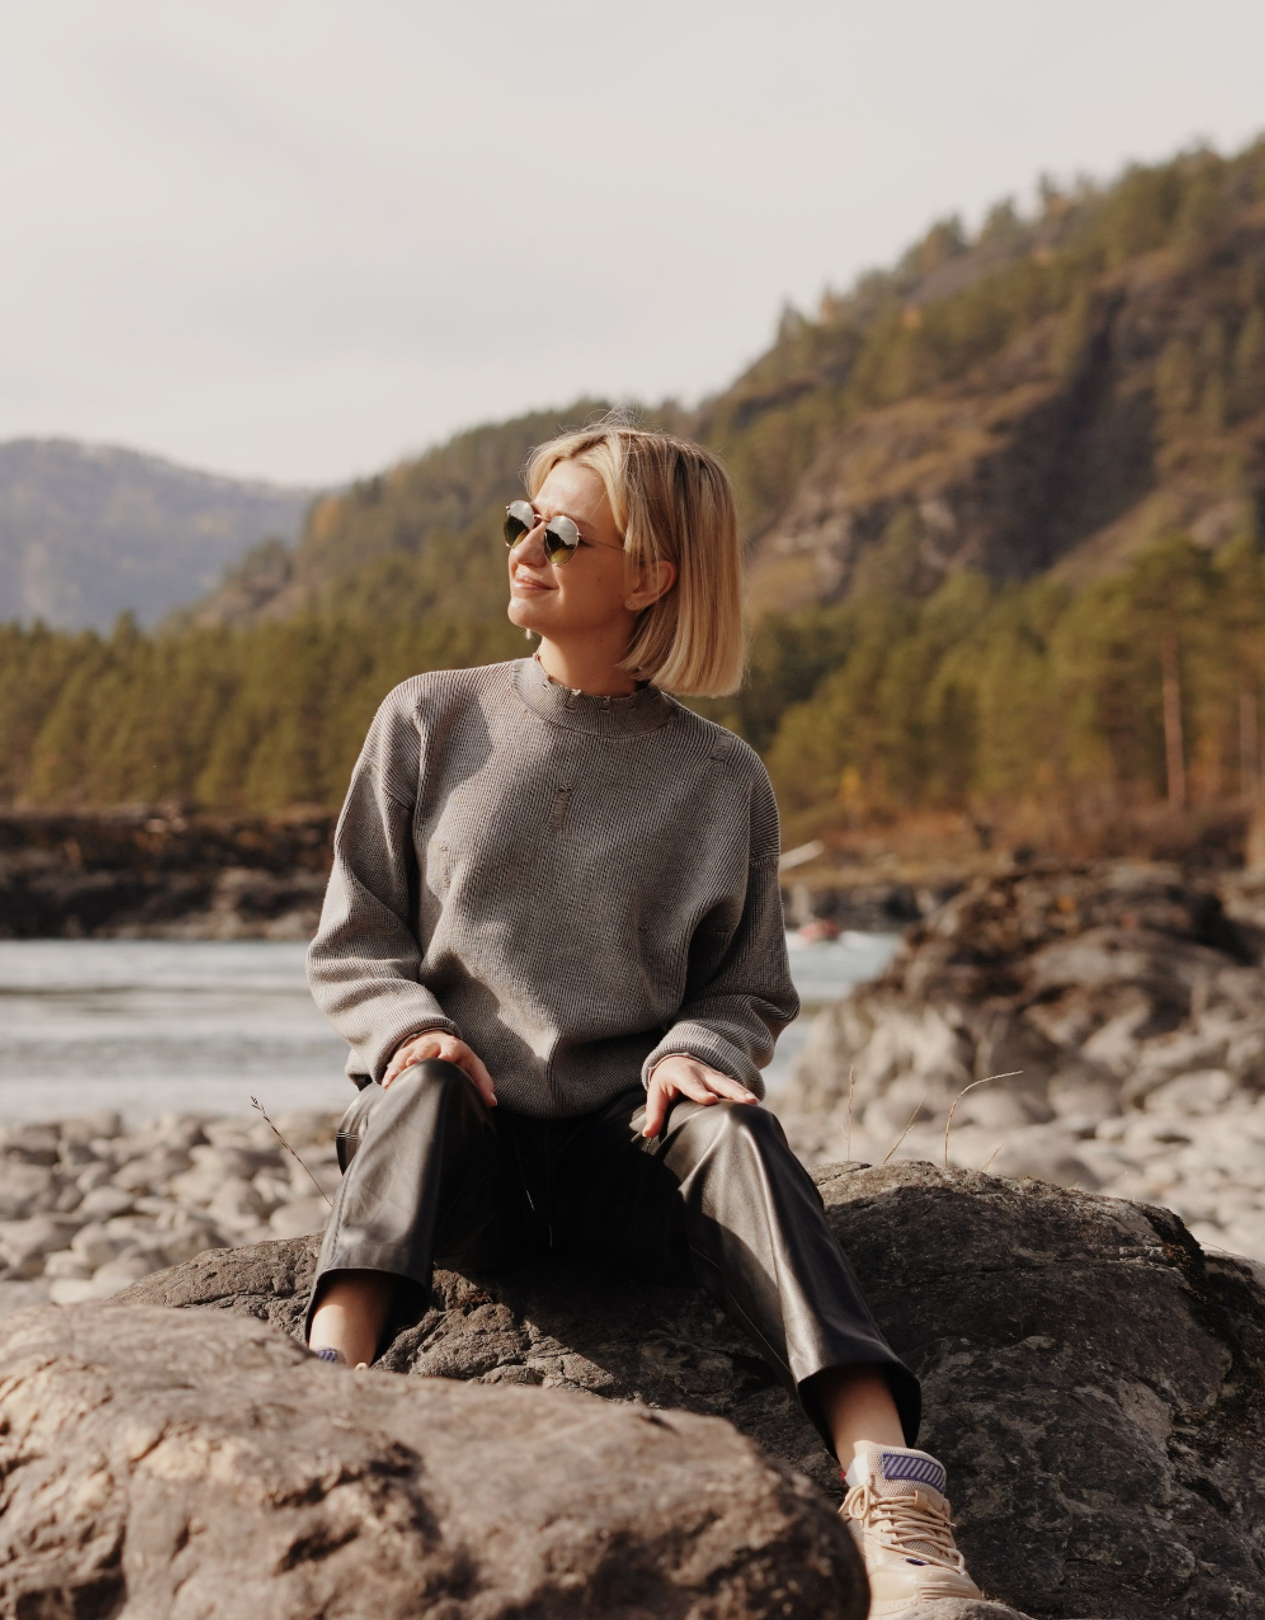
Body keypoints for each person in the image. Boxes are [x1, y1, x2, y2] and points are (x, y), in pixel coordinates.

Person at [302, 420, 983, 1618]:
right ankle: (309, 1413)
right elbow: (357, 941)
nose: (524, 548)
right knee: (419, 1088)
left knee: (738, 1132)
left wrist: (699, 1051)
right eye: (520, 522)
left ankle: (894, 1501)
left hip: (627, 1163)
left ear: (651, 576)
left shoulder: (720, 779)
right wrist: (409, 1030)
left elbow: (747, 988)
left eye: (562, 533)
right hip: (463, 1151)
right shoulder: (427, 719)